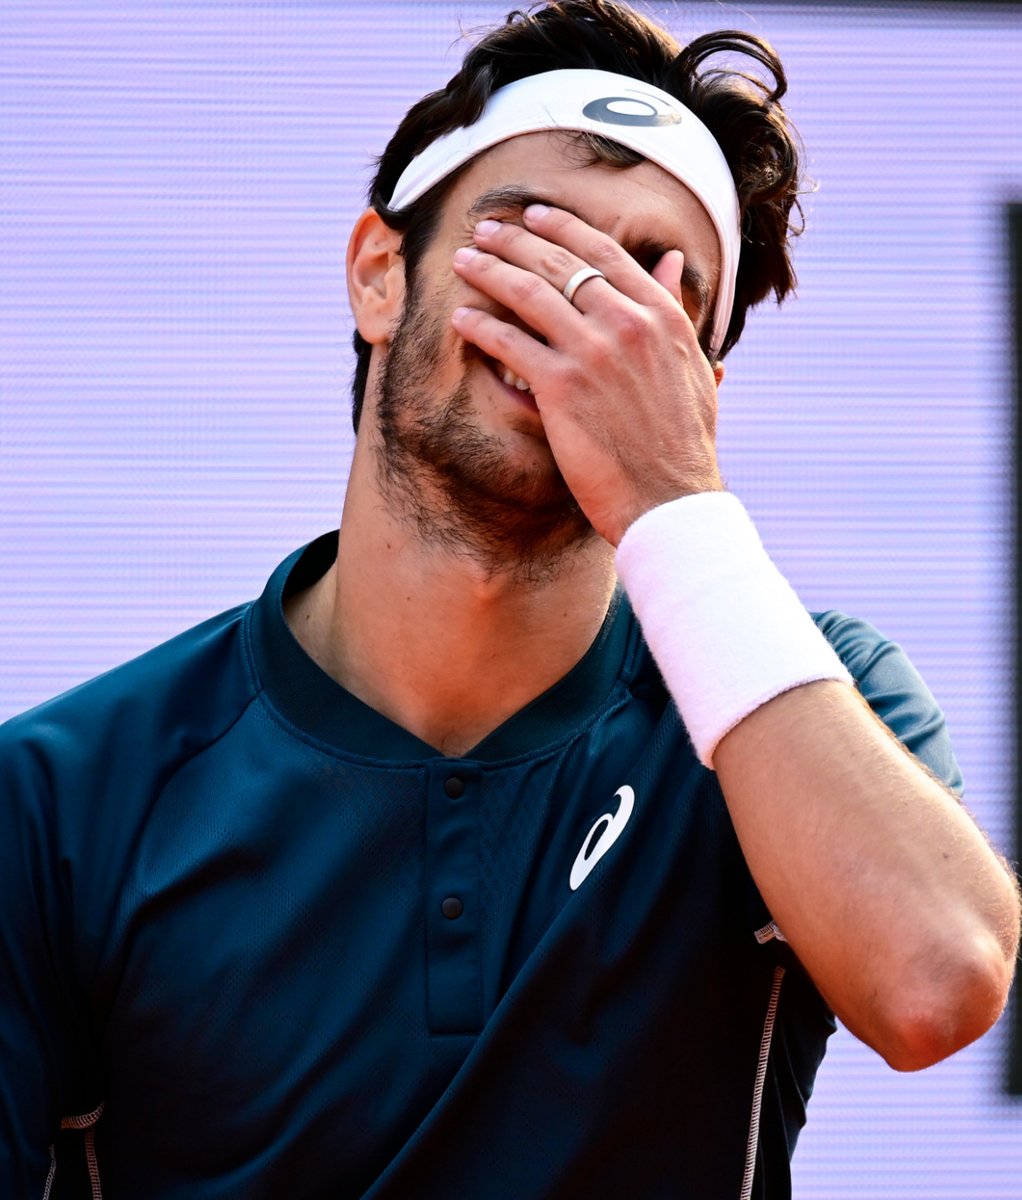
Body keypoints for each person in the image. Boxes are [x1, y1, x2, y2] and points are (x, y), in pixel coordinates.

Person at [2, 1, 1019, 1196]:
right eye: (528, 238)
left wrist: (670, 500)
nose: (572, 309)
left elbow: (934, 984)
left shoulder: (802, 699)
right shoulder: (62, 797)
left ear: (693, 385)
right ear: (380, 275)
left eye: (646, 284)